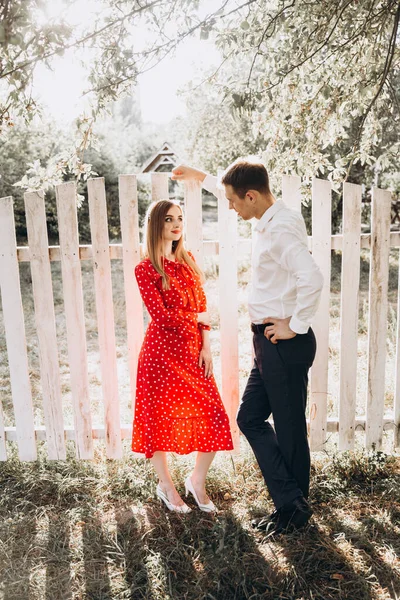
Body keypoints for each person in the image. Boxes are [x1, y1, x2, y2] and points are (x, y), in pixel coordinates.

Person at [171, 161, 323, 534]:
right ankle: (292, 501)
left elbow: (313, 277)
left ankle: (292, 511)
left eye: (233, 202)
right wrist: (201, 177)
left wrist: (295, 324)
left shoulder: (280, 230)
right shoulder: (272, 216)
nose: (230, 207)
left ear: (251, 196)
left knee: (287, 429)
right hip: (267, 342)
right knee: (250, 418)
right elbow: (236, 186)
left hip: (282, 341)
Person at [132, 199, 234, 514]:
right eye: (168, 219)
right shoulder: (145, 269)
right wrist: (193, 316)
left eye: (180, 218)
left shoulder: (187, 260)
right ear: (155, 225)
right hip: (160, 355)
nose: (177, 225)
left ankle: (196, 481)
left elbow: (202, 307)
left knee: (215, 415)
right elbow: (161, 318)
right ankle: (165, 485)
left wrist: (206, 345)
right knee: (158, 421)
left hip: (192, 351)